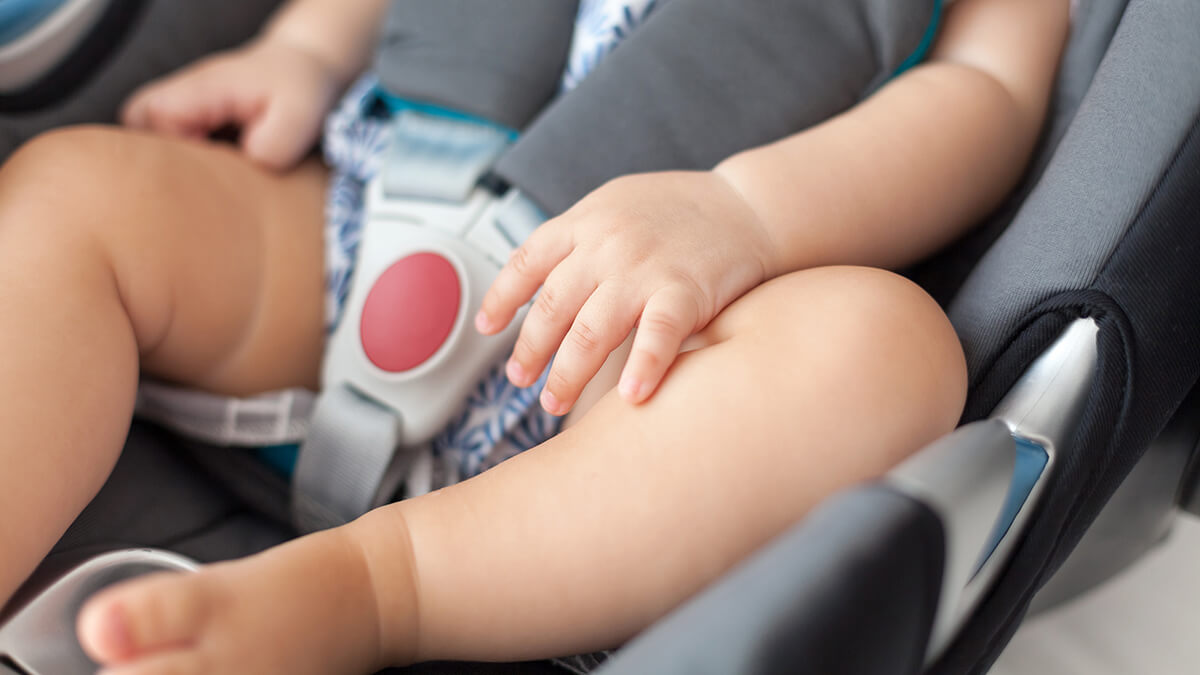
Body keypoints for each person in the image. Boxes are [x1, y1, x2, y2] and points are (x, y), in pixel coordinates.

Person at [0, 0, 1070, 671]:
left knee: (879, 353)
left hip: (633, 369)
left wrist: (747, 213)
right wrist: (304, 47)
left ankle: (378, 592)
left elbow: (987, 95)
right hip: (363, 220)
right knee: (80, 193)